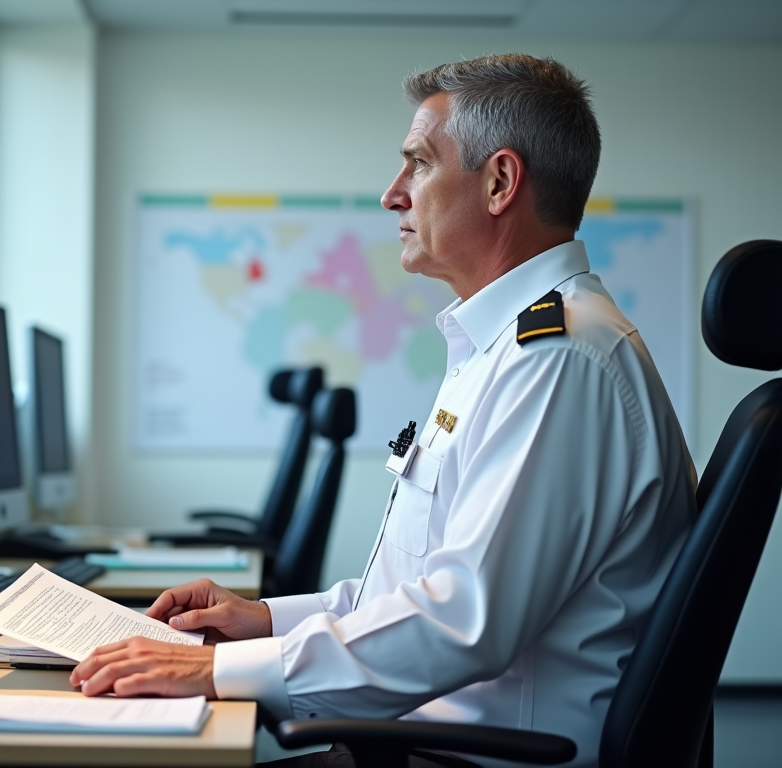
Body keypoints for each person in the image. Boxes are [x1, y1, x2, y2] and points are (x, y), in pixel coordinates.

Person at [70, 54, 696, 767]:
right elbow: (413, 591)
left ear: (499, 182)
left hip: (476, 757)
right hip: (433, 738)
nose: (391, 195)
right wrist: (265, 618)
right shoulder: (504, 349)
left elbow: (462, 619)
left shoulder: (557, 361)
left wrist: (216, 671)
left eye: (419, 164)